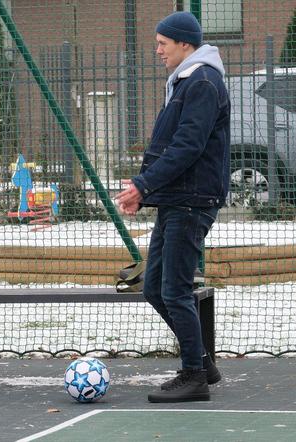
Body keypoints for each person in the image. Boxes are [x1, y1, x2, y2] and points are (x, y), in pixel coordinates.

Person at [115, 11, 230, 403]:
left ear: (185, 43)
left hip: (191, 201)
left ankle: (194, 376)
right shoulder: (186, 80)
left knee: (176, 289)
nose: (158, 49)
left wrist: (144, 184)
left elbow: (187, 146)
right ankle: (202, 361)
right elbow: (171, 146)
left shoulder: (202, 81)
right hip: (176, 200)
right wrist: (145, 190)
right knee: (154, 288)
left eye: (163, 43)